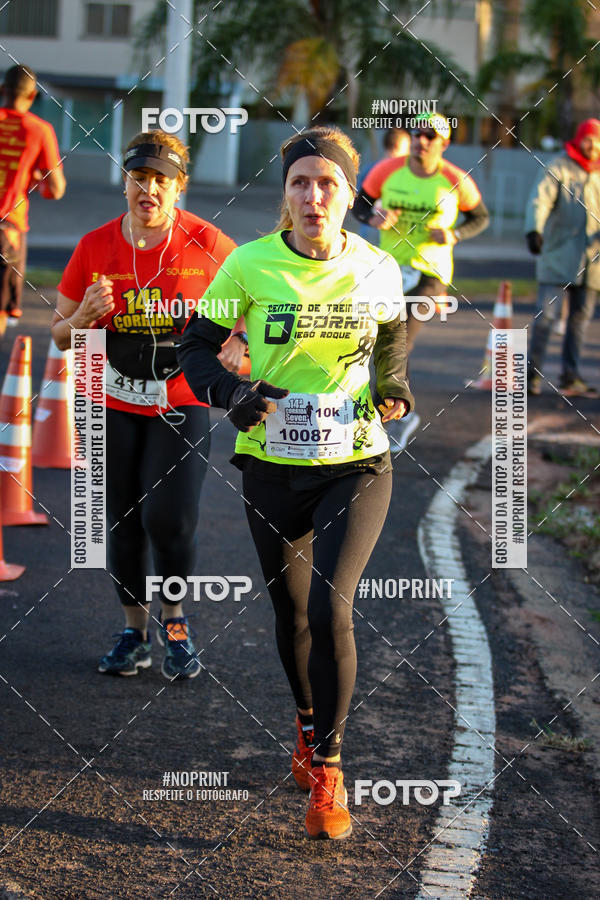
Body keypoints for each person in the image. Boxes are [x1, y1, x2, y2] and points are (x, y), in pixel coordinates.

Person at [179, 125, 413, 839]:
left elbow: (394, 337)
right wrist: (229, 394)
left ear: (349, 195)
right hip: (273, 463)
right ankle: (308, 728)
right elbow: (194, 344)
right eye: (301, 183)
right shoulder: (249, 266)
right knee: (292, 612)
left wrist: (394, 385)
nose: (315, 196)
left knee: (331, 609)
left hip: (357, 460)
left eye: (329, 184)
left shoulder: (377, 268)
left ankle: (331, 772)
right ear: (286, 196)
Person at [51, 129, 243, 679]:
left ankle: (176, 626)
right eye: (139, 178)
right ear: (126, 184)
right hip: (109, 400)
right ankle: (134, 631)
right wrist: (84, 317)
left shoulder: (210, 245)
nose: (149, 190)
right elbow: (60, 334)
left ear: (179, 188)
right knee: (123, 522)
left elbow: (253, 316)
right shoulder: (94, 246)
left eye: (162, 180)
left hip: (179, 402)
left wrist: (240, 345)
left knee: (172, 520)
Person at [352, 112, 489, 449]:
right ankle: (390, 411)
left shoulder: (455, 180)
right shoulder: (388, 171)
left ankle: (394, 412)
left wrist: (454, 234)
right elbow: (359, 204)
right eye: (416, 133)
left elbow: (481, 218)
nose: (421, 140)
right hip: (389, 270)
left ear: (443, 143)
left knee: (399, 338)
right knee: (379, 337)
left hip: (431, 274)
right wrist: (373, 216)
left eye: (429, 136)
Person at [525, 118, 600, 397]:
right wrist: (534, 229)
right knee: (546, 316)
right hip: (558, 254)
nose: (593, 145)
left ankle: (571, 376)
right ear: (579, 139)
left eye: (597, 139)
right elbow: (540, 199)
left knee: (580, 321)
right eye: (588, 138)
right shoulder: (559, 167)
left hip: (593, 261)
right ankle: (532, 375)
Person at [0, 64, 65, 319]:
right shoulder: (39, 130)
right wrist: (38, 181)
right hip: (8, 231)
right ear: (31, 96)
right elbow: (57, 189)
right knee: (2, 310)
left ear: (3, 90)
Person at [357, 127, 410, 241]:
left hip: (368, 231)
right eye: (408, 148)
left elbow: (357, 202)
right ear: (397, 146)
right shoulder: (403, 173)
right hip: (391, 234)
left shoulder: (368, 169)